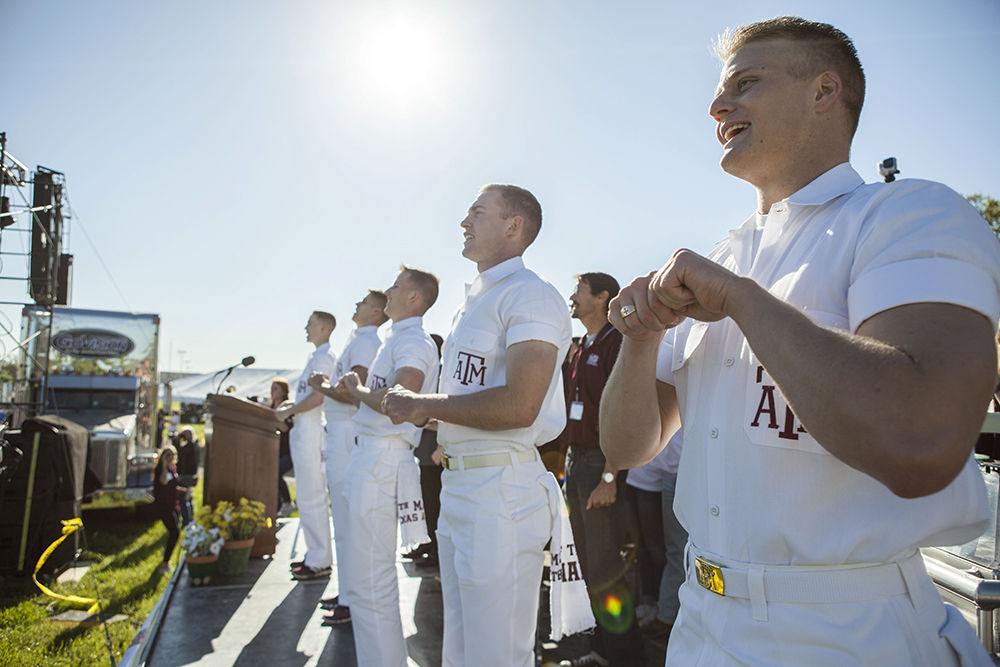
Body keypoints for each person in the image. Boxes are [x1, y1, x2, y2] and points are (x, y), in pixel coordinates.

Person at [602, 16, 1000, 666]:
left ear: (824, 91)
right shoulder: (723, 254)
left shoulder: (909, 215)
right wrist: (640, 335)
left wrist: (740, 300)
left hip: (844, 630)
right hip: (701, 622)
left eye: (747, 82)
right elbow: (626, 446)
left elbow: (921, 440)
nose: (716, 105)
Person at [383, 184, 573, 667]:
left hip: (501, 493)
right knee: (462, 648)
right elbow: (467, 397)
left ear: (514, 226)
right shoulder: (474, 302)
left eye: (477, 213)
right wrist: (441, 425)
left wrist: (424, 403)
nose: (464, 222)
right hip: (464, 485)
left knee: (495, 654)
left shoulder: (531, 294)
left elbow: (520, 406)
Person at [339, 266, 441, 667]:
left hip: (382, 456)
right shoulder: (397, 338)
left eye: (396, 287)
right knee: (365, 580)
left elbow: (402, 399)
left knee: (371, 582)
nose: (387, 291)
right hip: (373, 454)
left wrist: (357, 391)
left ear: (414, 298)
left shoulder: (413, 340)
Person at [561, 272, 645, 666]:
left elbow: (624, 414)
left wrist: (610, 475)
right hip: (575, 461)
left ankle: (626, 657)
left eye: (579, 291)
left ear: (602, 297)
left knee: (606, 567)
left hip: (600, 463)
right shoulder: (579, 347)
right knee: (585, 566)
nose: (572, 298)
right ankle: (600, 650)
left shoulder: (617, 343)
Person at [307, 289, 388, 625]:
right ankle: (348, 591)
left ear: (377, 312)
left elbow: (353, 392)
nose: (357, 305)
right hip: (338, 432)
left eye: (364, 303)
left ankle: (354, 598)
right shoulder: (359, 339)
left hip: (346, 431)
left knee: (348, 519)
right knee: (341, 518)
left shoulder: (367, 343)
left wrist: (322, 386)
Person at [276, 311, 337, 580]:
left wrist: (289, 412)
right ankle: (315, 554)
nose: (306, 327)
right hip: (303, 432)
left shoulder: (324, 357)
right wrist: (291, 407)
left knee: (313, 497)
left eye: (310, 324)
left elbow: (318, 397)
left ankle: (320, 559)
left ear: (324, 328)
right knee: (306, 497)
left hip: (312, 433)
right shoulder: (314, 357)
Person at [152, 445, 185, 572]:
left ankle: (167, 559)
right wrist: (164, 464)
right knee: (174, 532)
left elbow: (171, 484)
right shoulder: (161, 469)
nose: (171, 457)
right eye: (168, 455)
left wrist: (181, 490)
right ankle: (165, 563)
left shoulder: (173, 469)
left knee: (176, 531)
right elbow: (164, 482)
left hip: (173, 504)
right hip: (164, 506)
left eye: (172, 455)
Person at [269, 378, 295, 516]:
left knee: (276, 473)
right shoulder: (270, 407)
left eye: (276, 388)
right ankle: (276, 507)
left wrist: (273, 417)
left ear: (284, 391)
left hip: (287, 452)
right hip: (272, 451)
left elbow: (285, 428)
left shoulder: (288, 407)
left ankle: (287, 502)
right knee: (271, 477)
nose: (272, 392)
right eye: (272, 388)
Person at [175, 426, 200, 526]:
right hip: (187, 474)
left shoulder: (192, 446)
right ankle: (190, 518)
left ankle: (187, 520)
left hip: (187, 475)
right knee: (188, 497)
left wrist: (177, 440)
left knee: (184, 498)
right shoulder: (193, 445)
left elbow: (181, 452)